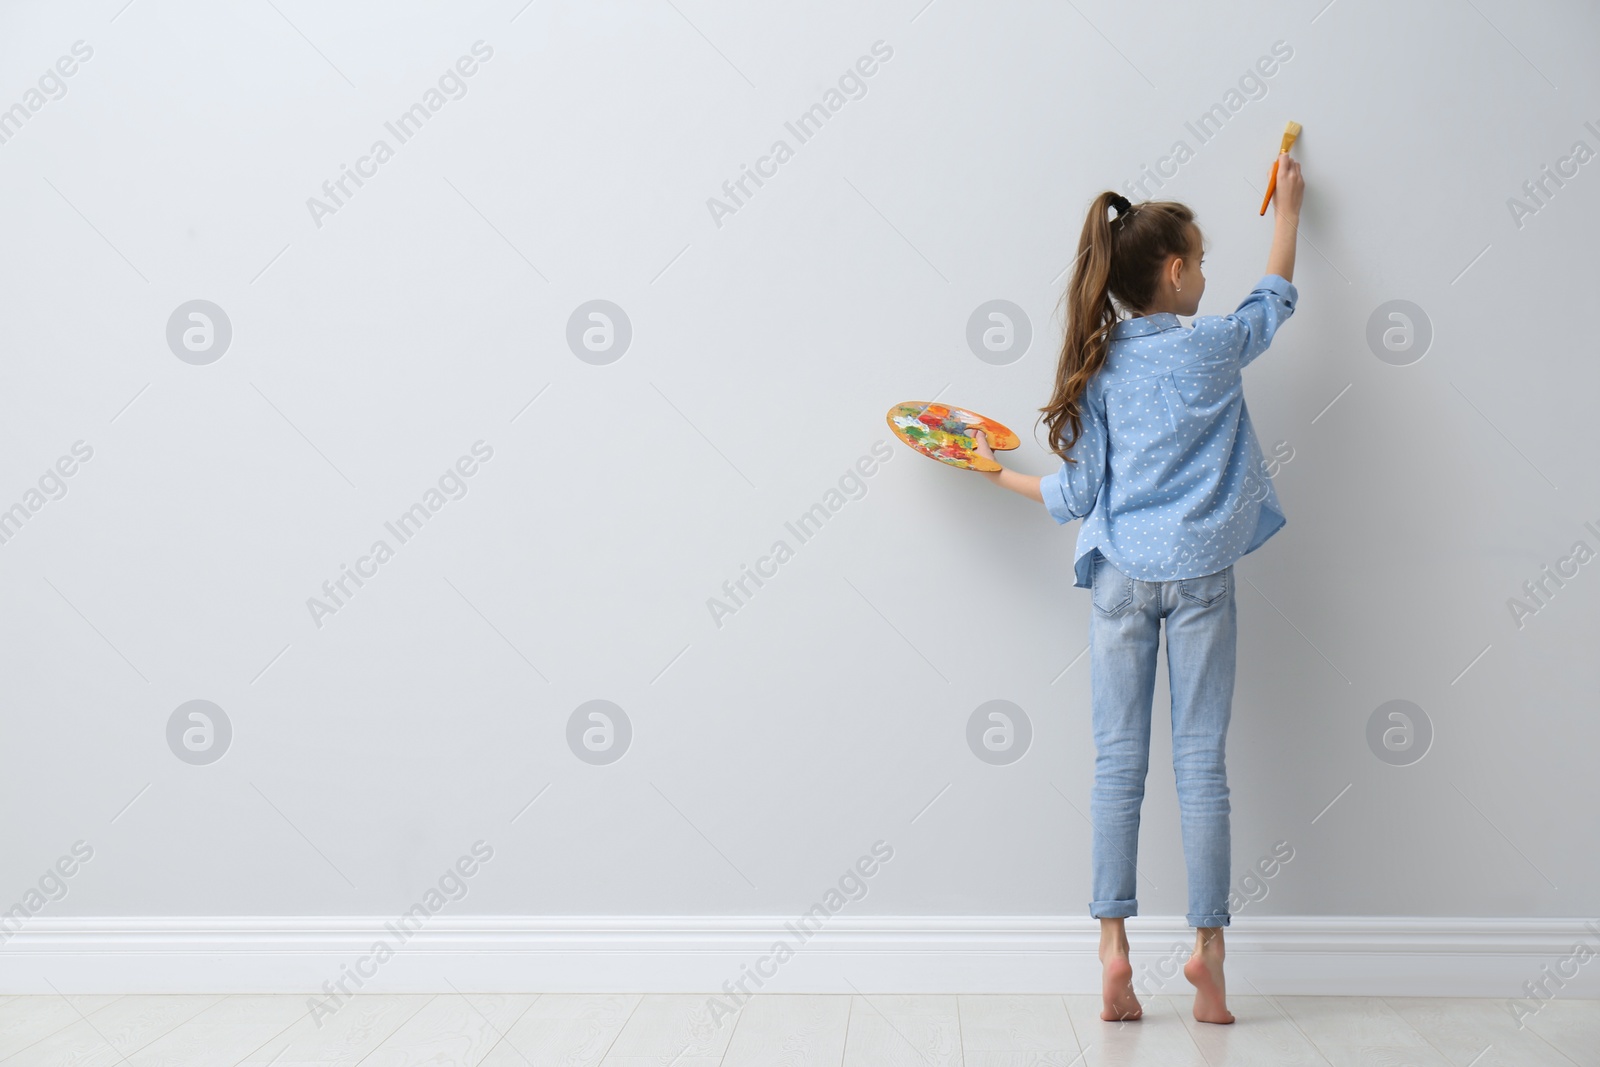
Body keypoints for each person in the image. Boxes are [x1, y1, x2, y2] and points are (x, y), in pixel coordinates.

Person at [971, 152, 1305, 1023]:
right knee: (1202, 765)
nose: (1207, 274)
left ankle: (1113, 953)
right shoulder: (1217, 344)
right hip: (1201, 579)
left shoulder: (1103, 361)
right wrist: (1289, 213)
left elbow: (1075, 496)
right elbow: (1275, 299)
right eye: (1200, 258)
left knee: (1117, 767)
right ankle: (1208, 955)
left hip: (1120, 577)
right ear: (1176, 270)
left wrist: (994, 471)